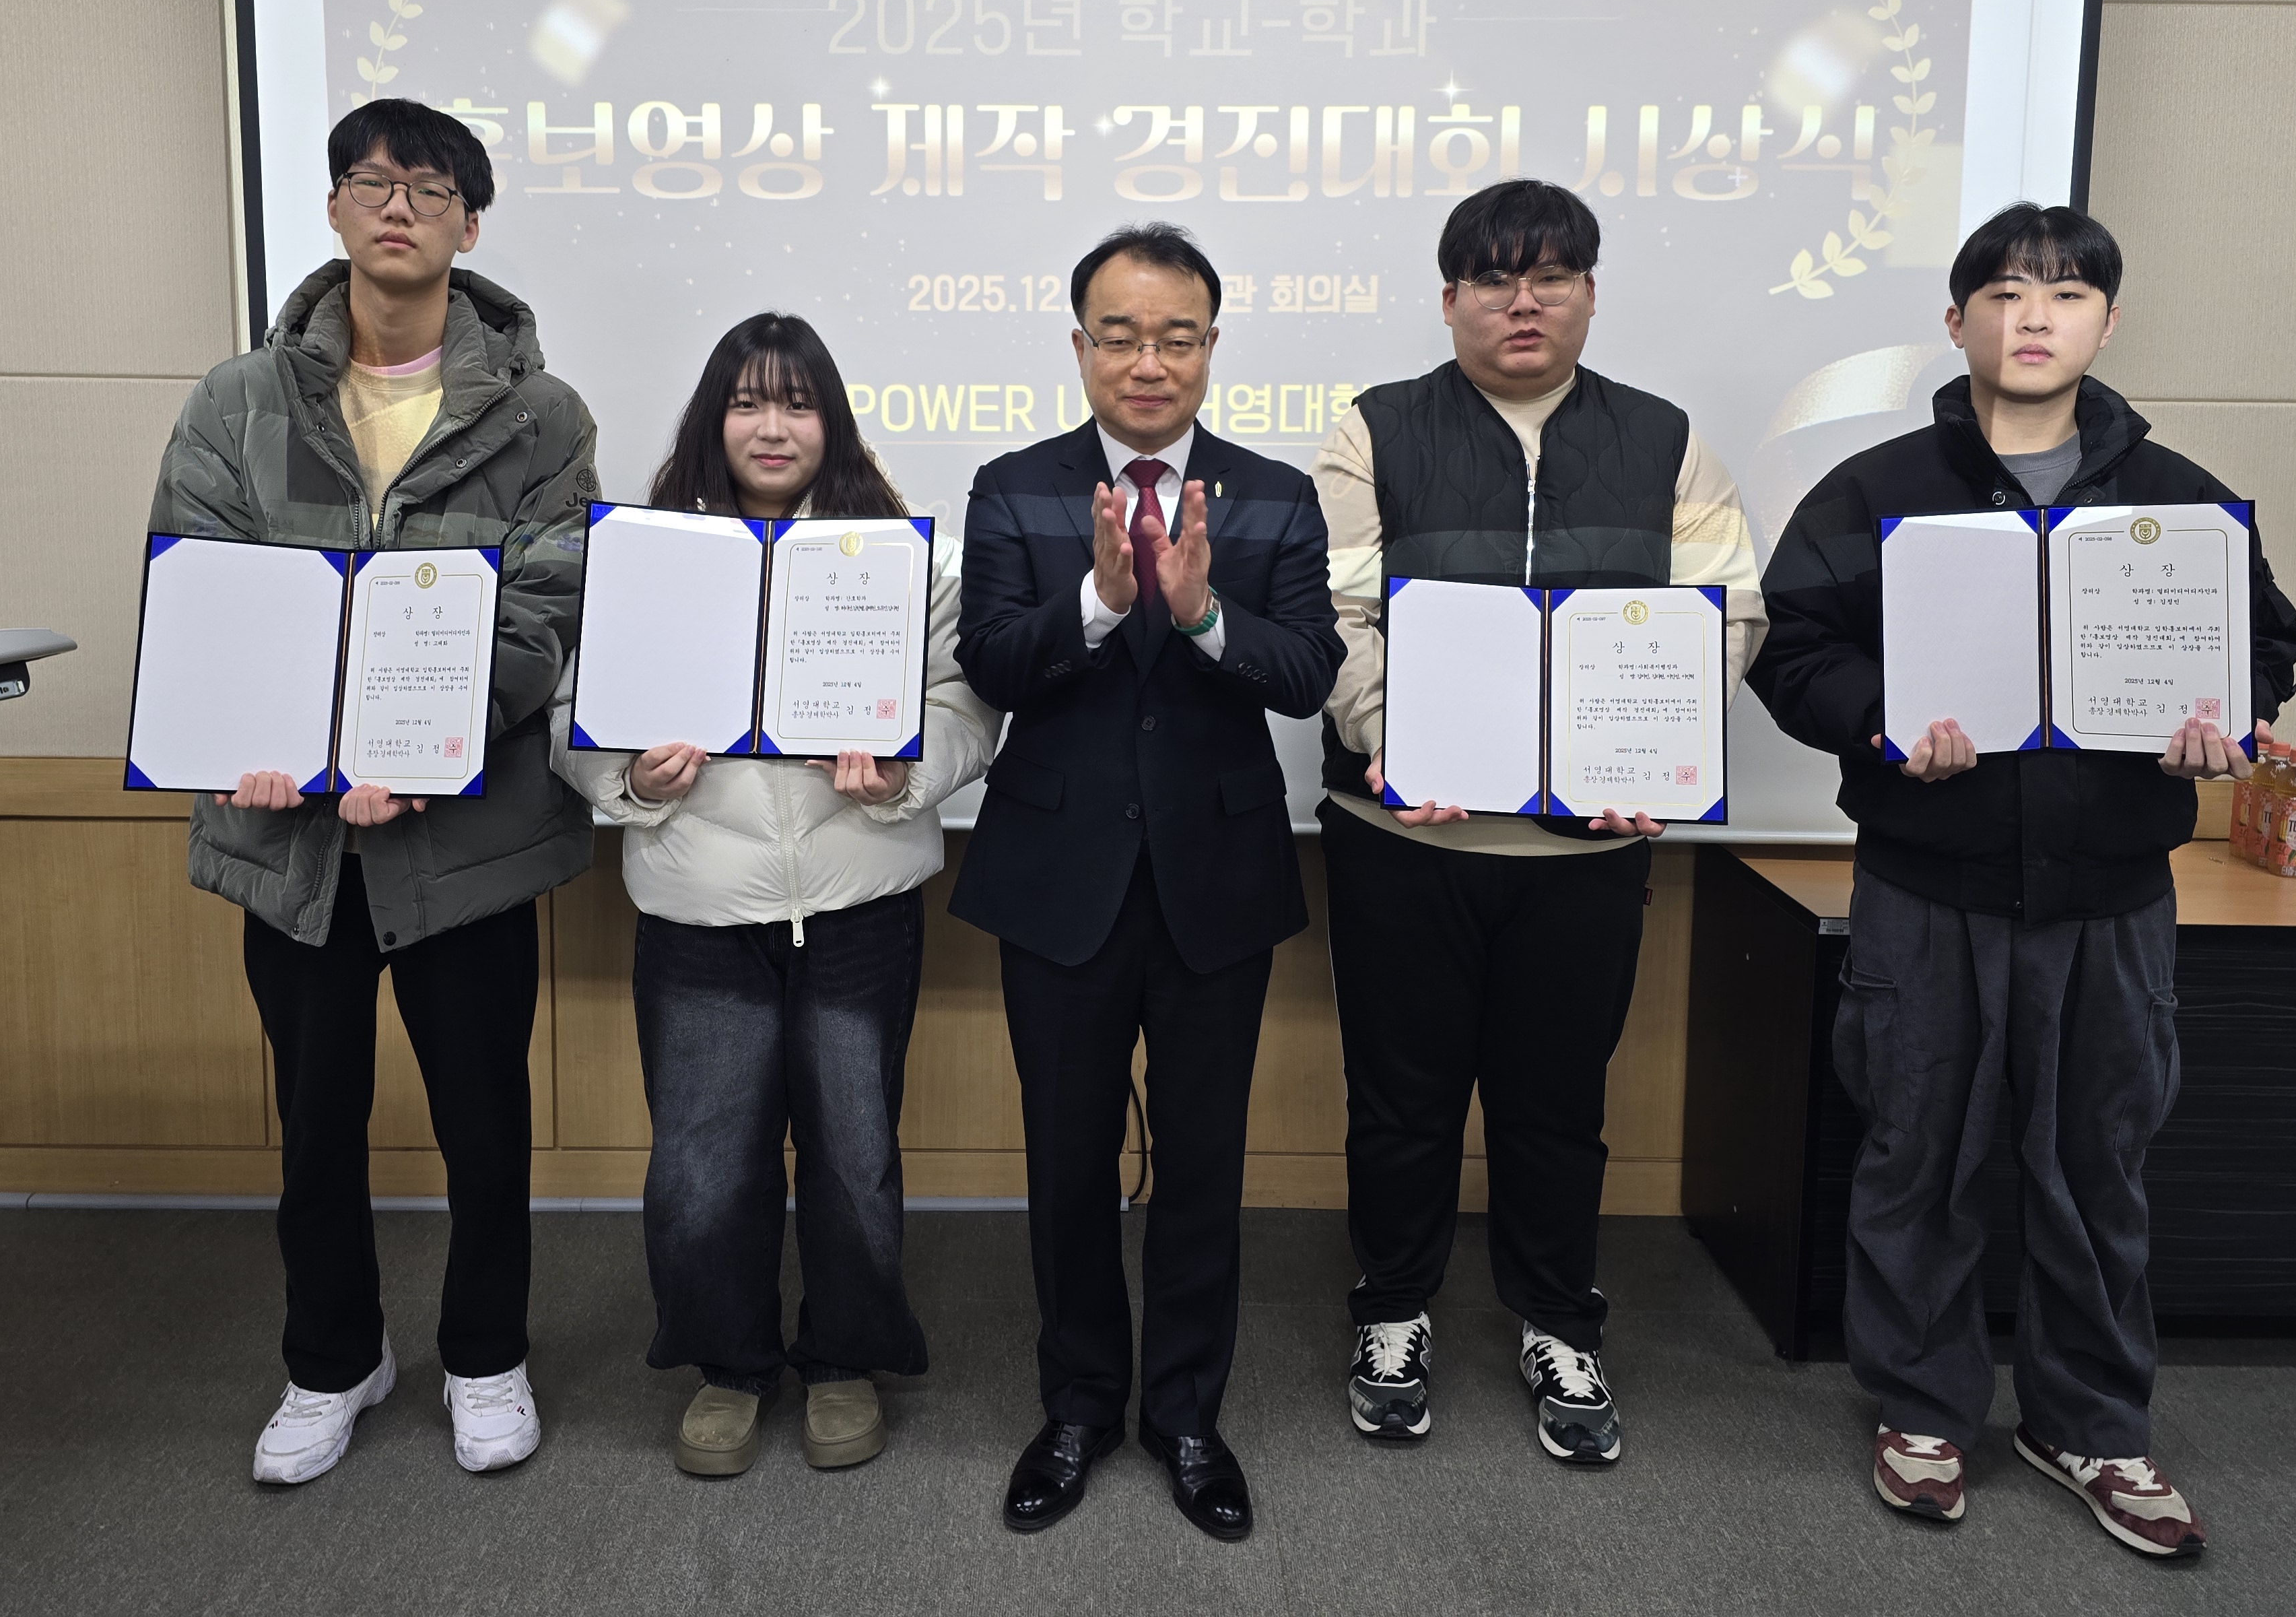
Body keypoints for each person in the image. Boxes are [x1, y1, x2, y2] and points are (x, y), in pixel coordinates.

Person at [1749, 202, 2296, 1557]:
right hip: (1924, 887)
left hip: (2109, 897)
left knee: (2094, 1165)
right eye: (2002, 293)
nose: (2032, 317)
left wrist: (2222, 720)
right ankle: (1921, 1408)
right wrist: (1883, 720)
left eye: (2064, 294)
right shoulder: (1874, 490)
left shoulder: (2177, 496)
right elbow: (1792, 651)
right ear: (1956, 324)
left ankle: (2091, 1423)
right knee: (1917, 1154)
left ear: (2107, 324)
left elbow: (2265, 645)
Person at [149, 97, 601, 1484]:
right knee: (316, 1126)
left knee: (484, 1121)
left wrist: (421, 750)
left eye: (429, 187)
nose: (397, 204)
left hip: (466, 838)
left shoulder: (540, 416)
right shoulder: (238, 401)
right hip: (288, 838)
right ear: (336, 208)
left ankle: (486, 1355)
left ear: (472, 225)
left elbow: (545, 604)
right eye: (371, 180)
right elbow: (202, 583)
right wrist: (267, 738)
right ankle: (331, 1363)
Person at [1312, 178, 1765, 1465]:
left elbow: (1728, 610)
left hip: (1586, 853)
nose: (1526, 302)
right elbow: (1335, 610)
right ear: (1450, 298)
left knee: (1557, 1106)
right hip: (1403, 836)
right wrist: (1393, 738)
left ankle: (1559, 1322)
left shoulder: (1666, 439)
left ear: (1589, 294)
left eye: (1552, 276)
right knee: (1398, 1104)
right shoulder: (1373, 430)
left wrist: (1659, 750)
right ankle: (1391, 1311)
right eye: (1496, 279)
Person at [549, 313, 997, 1478]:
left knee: (854, 1155)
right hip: (699, 911)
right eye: (747, 402)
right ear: (715, 419)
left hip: (859, 905)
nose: (772, 426)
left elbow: (965, 708)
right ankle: (731, 1366)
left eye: (797, 403)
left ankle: (844, 1359)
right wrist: (628, 778)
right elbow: (571, 716)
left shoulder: (898, 558)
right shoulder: (646, 557)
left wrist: (905, 775)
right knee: (704, 1166)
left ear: (830, 421)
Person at [951, 223, 1343, 1542]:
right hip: (1057, 877)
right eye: (1119, 336)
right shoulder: (1015, 488)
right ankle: (1075, 1409)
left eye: (1176, 337)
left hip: (1215, 878)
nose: (1148, 361)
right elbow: (995, 661)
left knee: (1202, 1164)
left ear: (1211, 347)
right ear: (1080, 347)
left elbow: (1307, 675)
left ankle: (1185, 1417)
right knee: (1065, 1163)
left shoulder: (1272, 494)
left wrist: (1204, 615)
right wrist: (1105, 602)